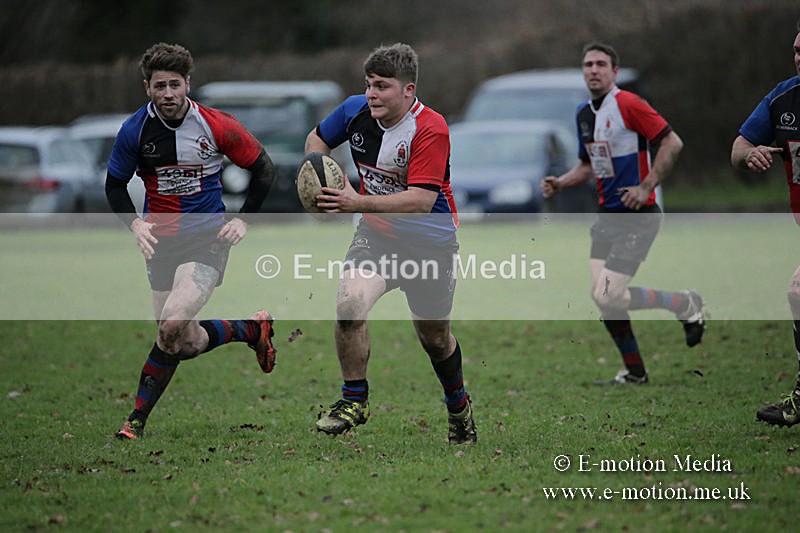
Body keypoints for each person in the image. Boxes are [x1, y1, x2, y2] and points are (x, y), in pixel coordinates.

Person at [303, 43, 476, 444]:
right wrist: (326, 177)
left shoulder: (430, 128)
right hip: (376, 237)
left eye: (382, 86)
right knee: (349, 302)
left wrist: (355, 200)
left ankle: (459, 409)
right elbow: (316, 141)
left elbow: (420, 201)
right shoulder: (353, 111)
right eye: (368, 85)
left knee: (434, 338)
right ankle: (354, 400)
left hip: (430, 244)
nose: (372, 94)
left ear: (408, 90)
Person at [106, 43, 277, 439]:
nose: (167, 94)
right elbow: (114, 184)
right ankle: (250, 330)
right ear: (147, 87)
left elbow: (264, 167)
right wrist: (134, 225)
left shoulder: (216, 125)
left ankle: (135, 421)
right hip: (161, 244)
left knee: (170, 328)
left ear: (188, 84)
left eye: (175, 85)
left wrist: (244, 220)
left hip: (207, 241)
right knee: (181, 341)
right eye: (159, 86)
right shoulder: (136, 130)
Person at [542, 41, 705, 385]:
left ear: (614, 72)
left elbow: (672, 142)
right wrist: (561, 183)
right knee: (602, 297)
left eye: (601, 64)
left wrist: (646, 186)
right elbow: (588, 167)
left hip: (639, 215)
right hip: (606, 217)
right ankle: (635, 370)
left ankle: (683, 303)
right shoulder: (584, 114)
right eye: (588, 65)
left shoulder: (629, 104)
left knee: (608, 293)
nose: (594, 70)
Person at [732, 23, 800, 427]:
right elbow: (738, 147)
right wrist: (751, 155)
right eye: (796, 50)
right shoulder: (783, 97)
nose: (799, 57)